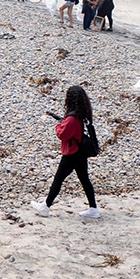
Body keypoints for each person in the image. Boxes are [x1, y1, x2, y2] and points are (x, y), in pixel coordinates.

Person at [30, 85, 99, 219]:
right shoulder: (84, 114)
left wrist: (59, 124)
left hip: (73, 152)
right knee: (84, 178)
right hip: (82, 150)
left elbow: (62, 134)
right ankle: (93, 208)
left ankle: (45, 207)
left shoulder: (72, 118)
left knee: (59, 178)